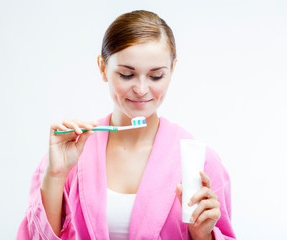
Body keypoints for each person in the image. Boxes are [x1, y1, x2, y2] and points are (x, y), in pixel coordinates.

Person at [17, 10, 236, 240]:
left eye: (156, 76)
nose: (141, 89)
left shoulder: (201, 161)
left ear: (172, 70)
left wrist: (204, 235)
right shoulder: (70, 153)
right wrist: (55, 175)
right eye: (126, 74)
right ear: (103, 68)